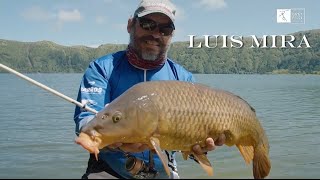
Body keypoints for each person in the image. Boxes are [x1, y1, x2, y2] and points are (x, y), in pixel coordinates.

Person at [73, 0, 225, 179]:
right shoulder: (102, 69)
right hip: (108, 170)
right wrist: (112, 142)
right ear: (131, 25)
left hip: (164, 171)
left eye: (164, 29)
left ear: (171, 34)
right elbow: (86, 120)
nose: (155, 34)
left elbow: (192, 145)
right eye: (147, 24)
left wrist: (201, 149)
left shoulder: (184, 79)